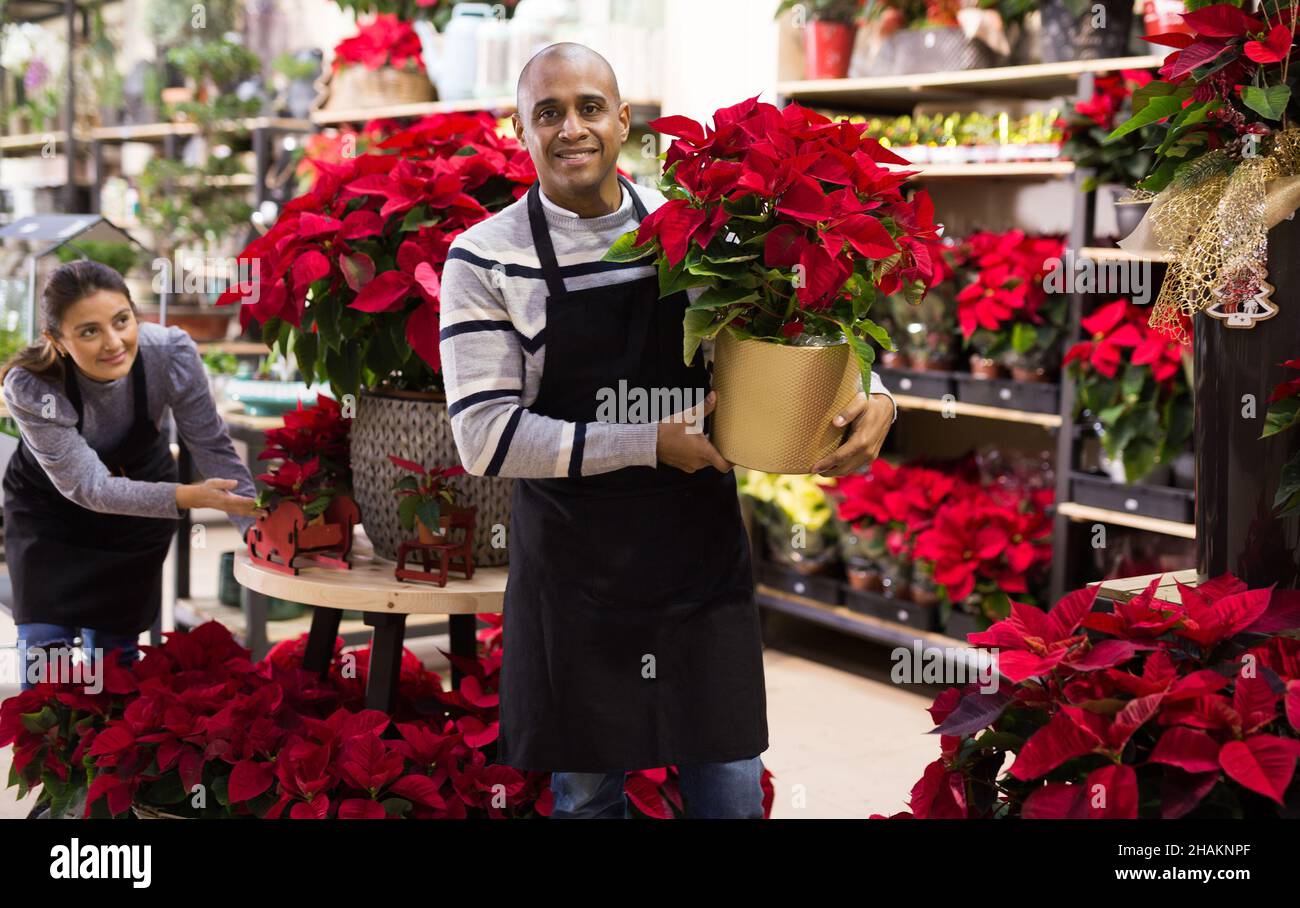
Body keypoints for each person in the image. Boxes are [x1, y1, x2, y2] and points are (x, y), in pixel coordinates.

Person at [438, 44, 896, 819]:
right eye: (547, 112)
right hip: (577, 574)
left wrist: (875, 392)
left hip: (697, 561)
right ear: (521, 130)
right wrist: (649, 441)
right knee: (586, 797)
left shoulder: (702, 233)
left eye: (590, 107)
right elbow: (484, 437)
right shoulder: (485, 259)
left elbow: (786, 333)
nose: (571, 128)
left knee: (732, 788)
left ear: (623, 121)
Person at [2, 260, 263, 691]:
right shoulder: (32, 387)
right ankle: (46, 755)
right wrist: (188, 496)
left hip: (138, 507)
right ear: (57, 341)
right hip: (49, 513)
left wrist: (258, 533)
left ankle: (102, 757)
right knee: (45, 655)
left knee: (114, 659)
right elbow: (90, 487)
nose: (113, 342)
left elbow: (213, 448)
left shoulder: (170, 354)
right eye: (88, 331)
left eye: (122, 320)